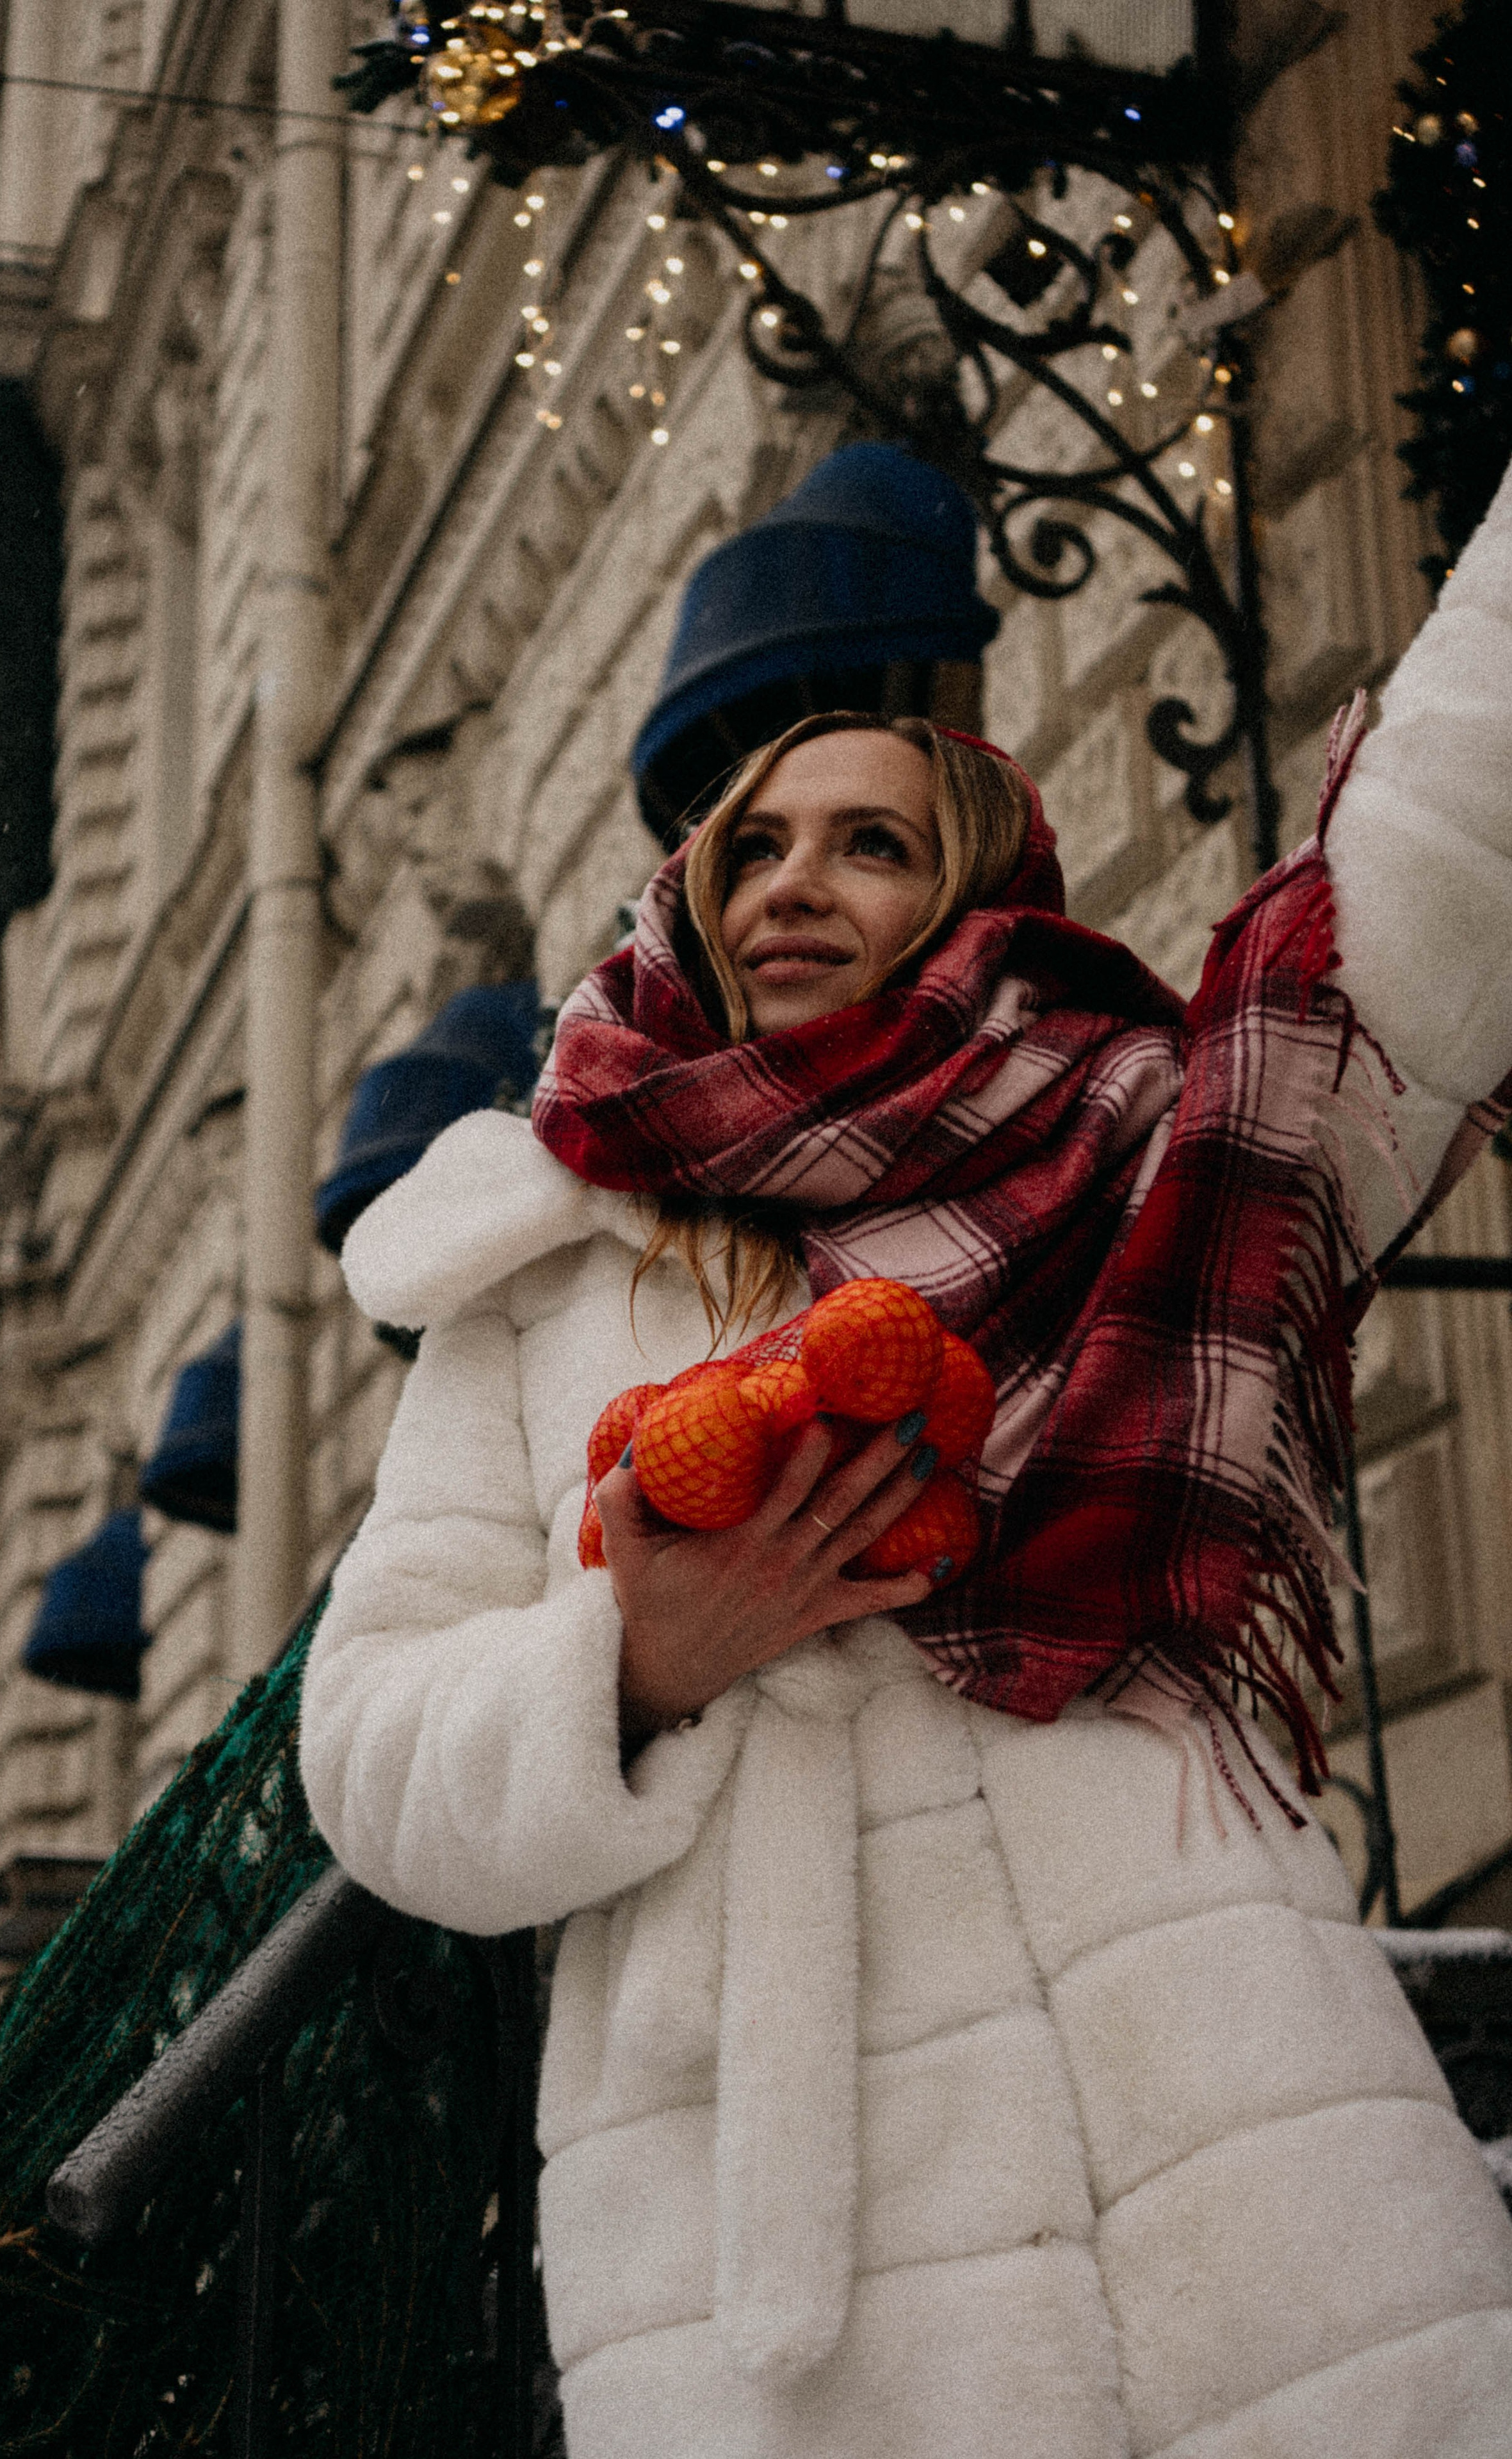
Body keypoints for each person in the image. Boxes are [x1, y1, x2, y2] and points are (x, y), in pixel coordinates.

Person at [300, 460, 1512, 2458]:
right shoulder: (537, 1265)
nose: (797, 880)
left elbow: (1434, 889)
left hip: (1226, 2117)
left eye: (874, 843)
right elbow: (371, 1757)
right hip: (789, 2227)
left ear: (969, 898)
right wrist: (637, 1659)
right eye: (752, 843)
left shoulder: (1143, 1147)